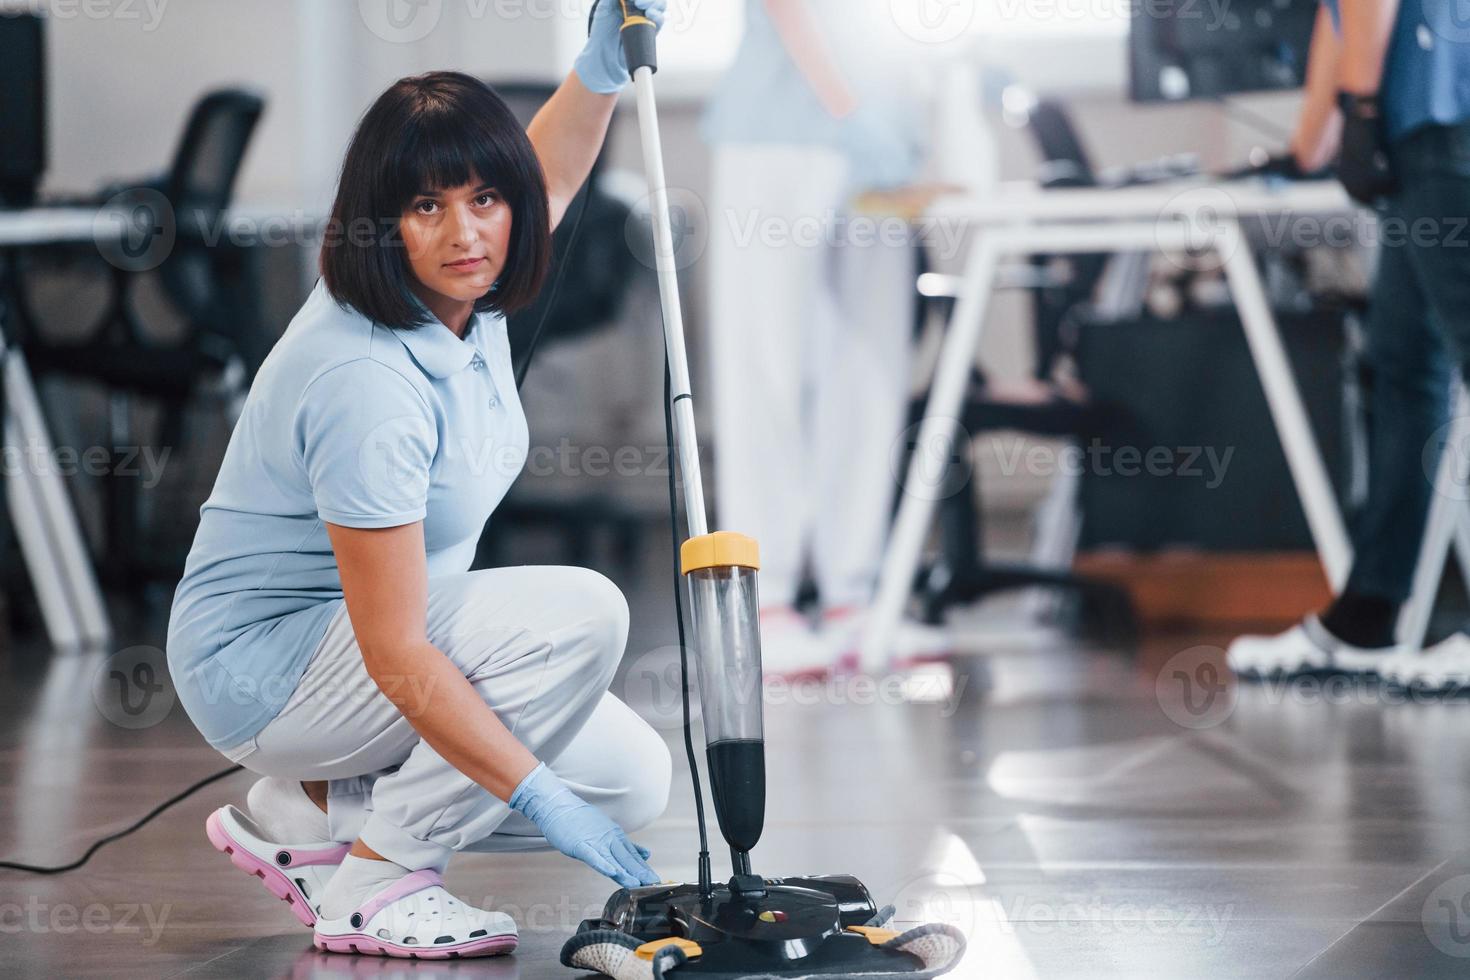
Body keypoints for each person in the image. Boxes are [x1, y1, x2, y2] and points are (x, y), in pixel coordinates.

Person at [166, 2, 672, 960]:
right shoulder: (367, 379)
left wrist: (597, 72)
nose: (465, 231)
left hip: (356, 657)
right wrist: (533, 793)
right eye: (426, 206)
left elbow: (547, 175)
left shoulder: (460, 301)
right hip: (267, 670)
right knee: (583, 614)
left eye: (485, 199)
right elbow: (396, 650)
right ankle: (380, 877)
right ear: (380, 222)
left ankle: (315, 811)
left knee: (631, 782)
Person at [701, 0, 947, 678]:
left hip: (883, 131)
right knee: (767, 369)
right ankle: (768, 599)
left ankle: (855, 594)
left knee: (869, 366)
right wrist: (847, 109)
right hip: (780, 131)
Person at [1228, 0, 1470, 687]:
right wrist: (1313, 143)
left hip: (1443, 120)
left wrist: (1360, 106)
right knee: (1402, 367)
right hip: (1420, 129)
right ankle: (1368, 615)